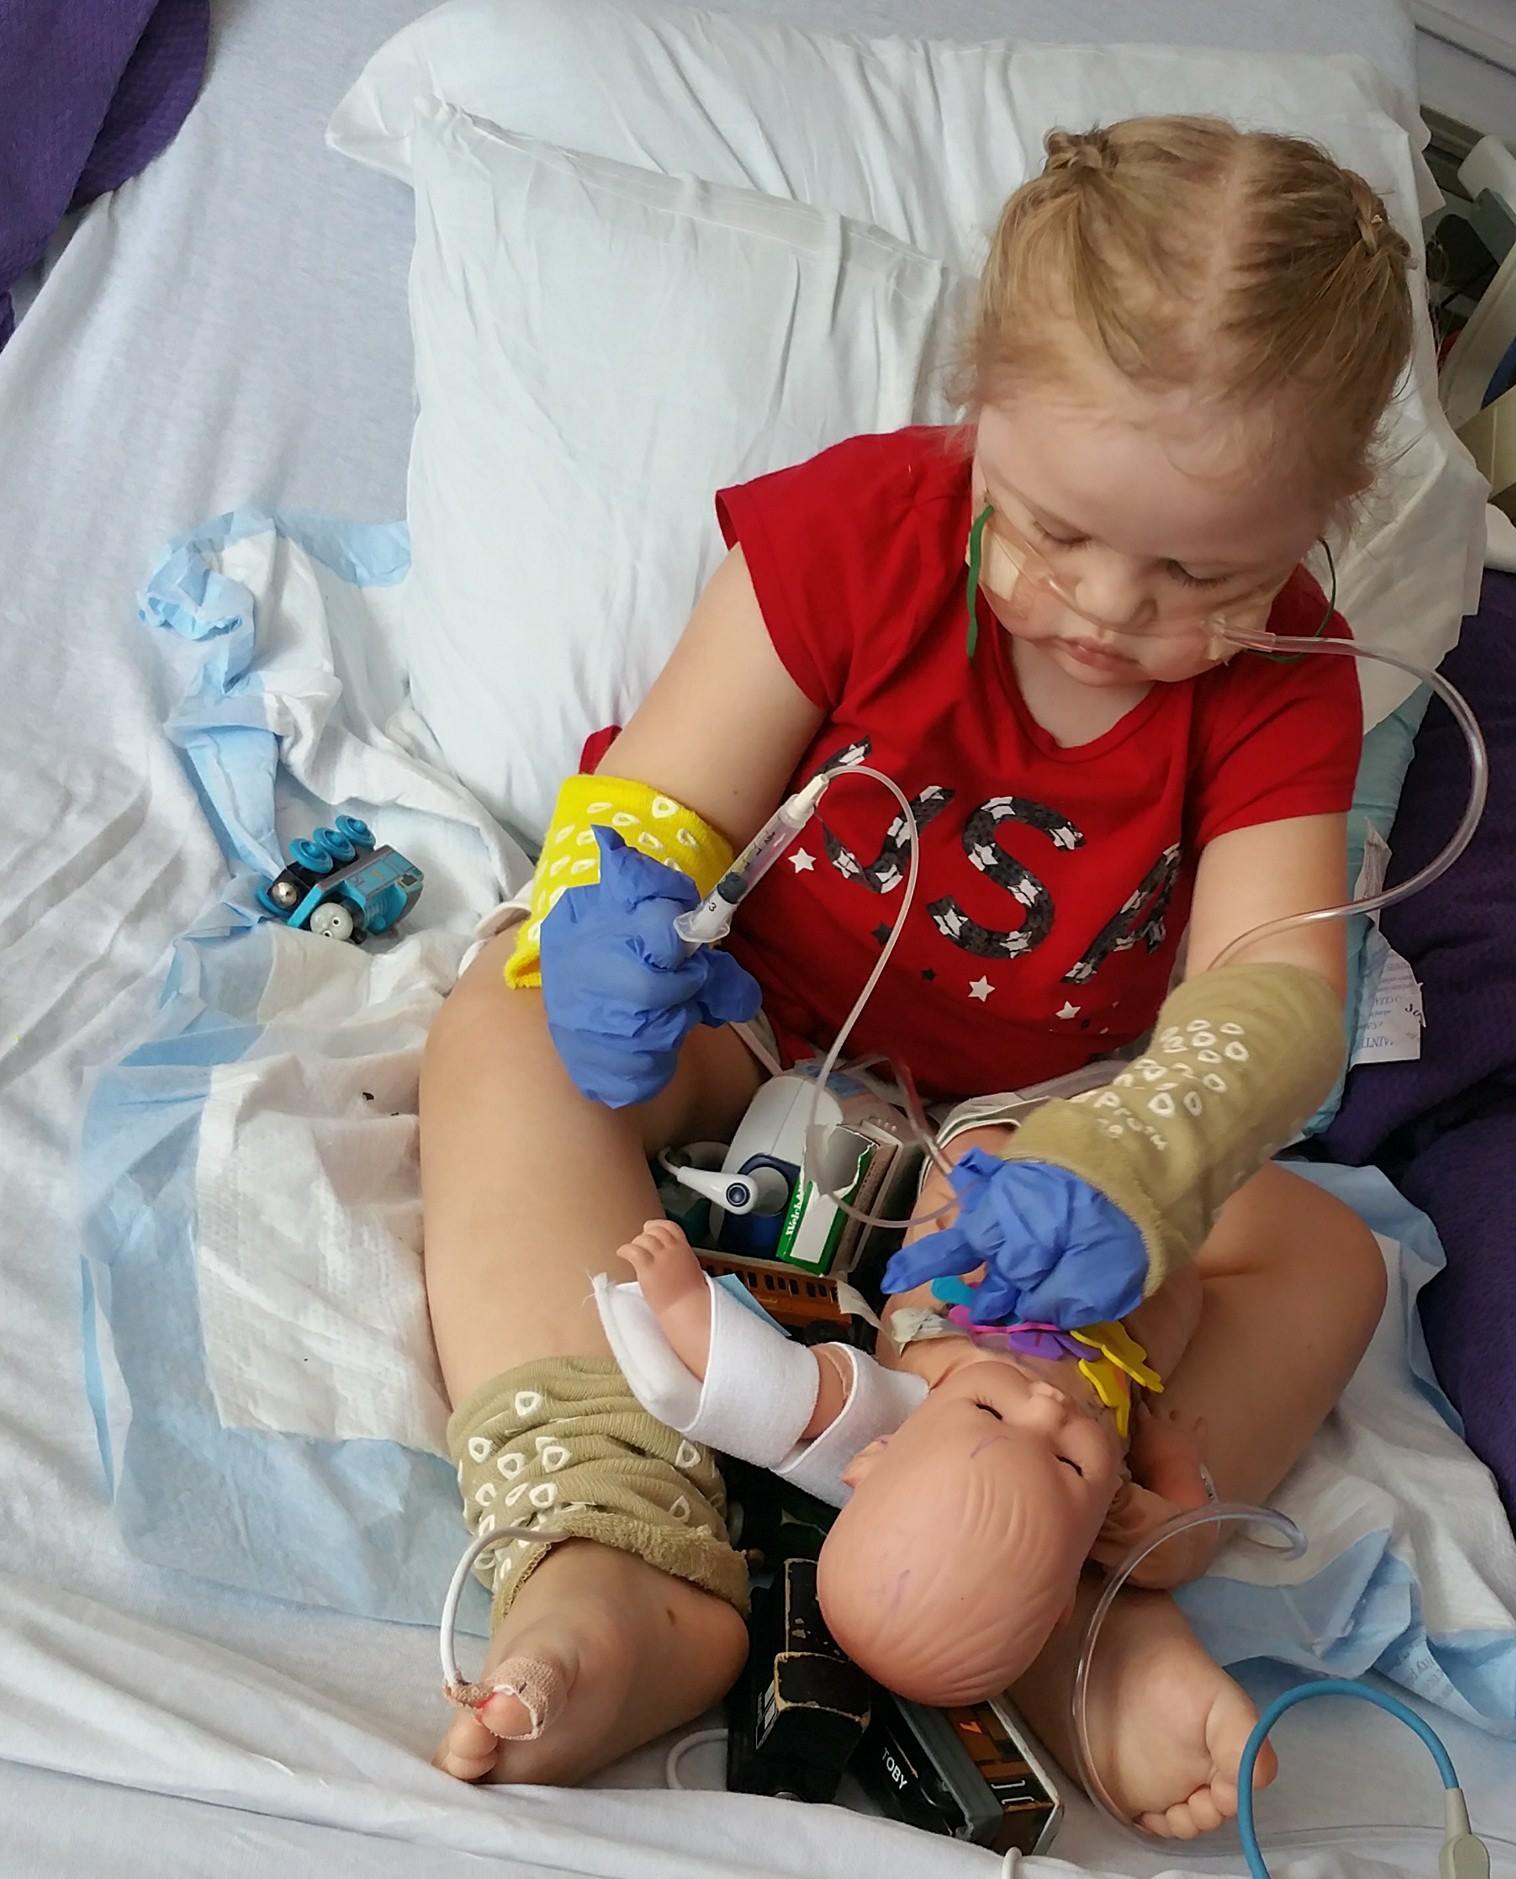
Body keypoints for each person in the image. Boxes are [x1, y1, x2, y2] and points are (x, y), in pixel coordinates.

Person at [421, 114, 1413, 1831]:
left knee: (1321, 1259)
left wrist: (1144, 1154)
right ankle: (619, 1546)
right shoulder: (856, 532)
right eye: (1048, 531)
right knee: (502, 1032)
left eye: (1202, 574)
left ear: (1323, 518)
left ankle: (1069, 1592)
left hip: (1048, 1151)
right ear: (979, 411)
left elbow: (1274, 999)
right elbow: (657, 797)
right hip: (768, 1034)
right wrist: (608, 903)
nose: (1105, 606)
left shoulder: (1289, 686)